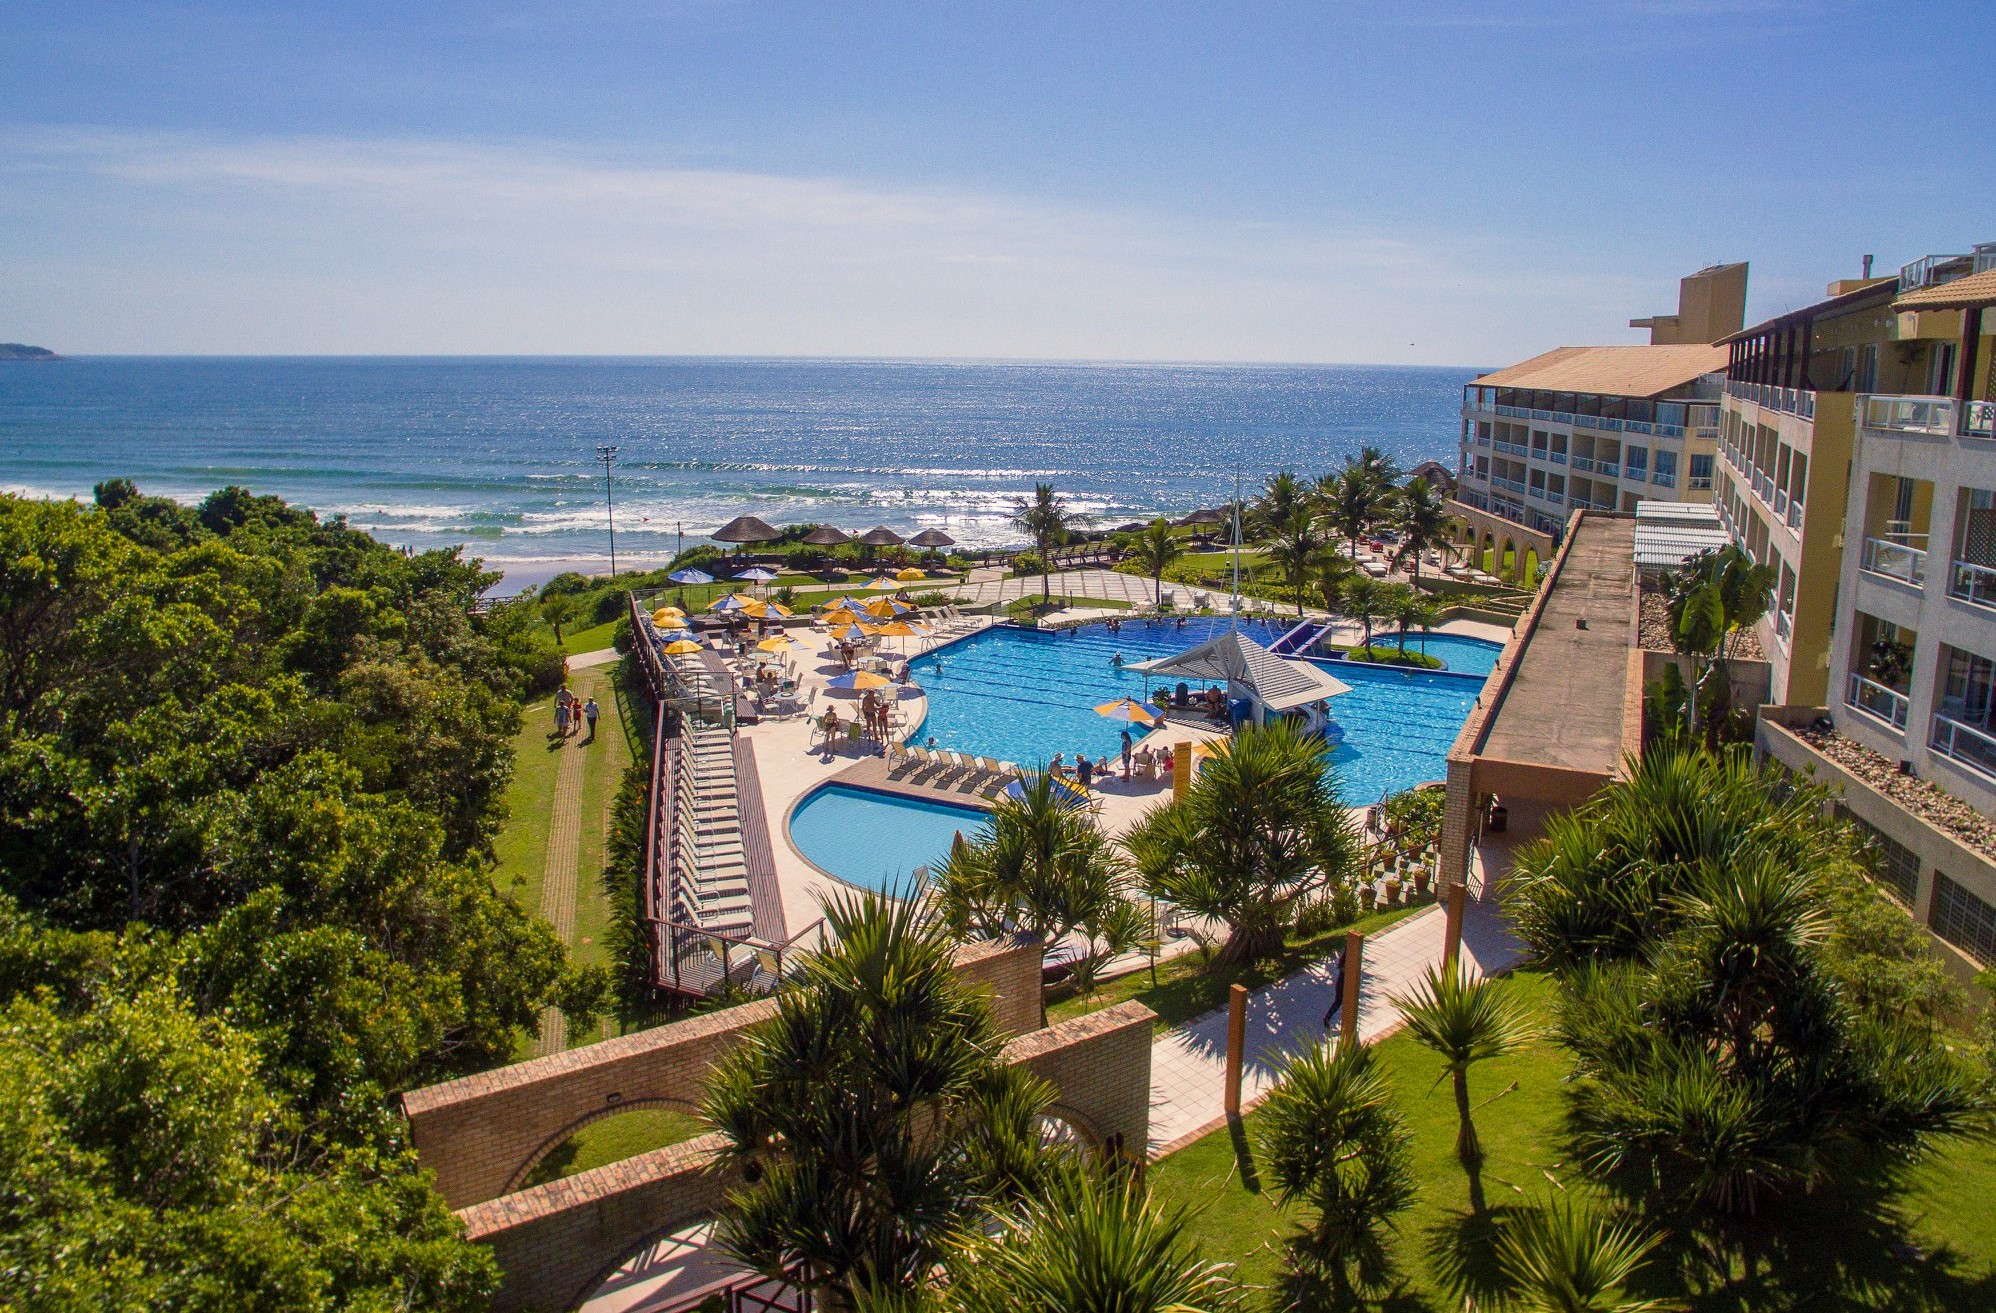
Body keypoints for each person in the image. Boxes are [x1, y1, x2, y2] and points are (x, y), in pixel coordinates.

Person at [1322, 944, 1349, 1034]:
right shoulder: (1346, 962)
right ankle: (1328, 1017)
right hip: (1342, 984)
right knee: (1340, 1001)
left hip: (1340, 983)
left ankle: (1328, 1017)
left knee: (1338, 1002)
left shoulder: (1343, 959)